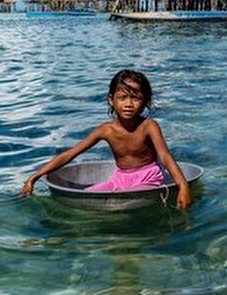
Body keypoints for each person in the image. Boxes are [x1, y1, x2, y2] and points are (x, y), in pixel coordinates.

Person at [20, 69, 192, 209]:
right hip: (119, 179)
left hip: (149, 178)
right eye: (122, 98)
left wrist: (183, 186)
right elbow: (71, 154)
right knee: (89, 196)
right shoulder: (106, 130)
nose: (128, 104)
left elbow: (165, 156)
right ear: (111, 100)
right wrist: (34, 177)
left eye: (135, 98)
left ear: (144, 100)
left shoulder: (149, 126)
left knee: (126, 207)